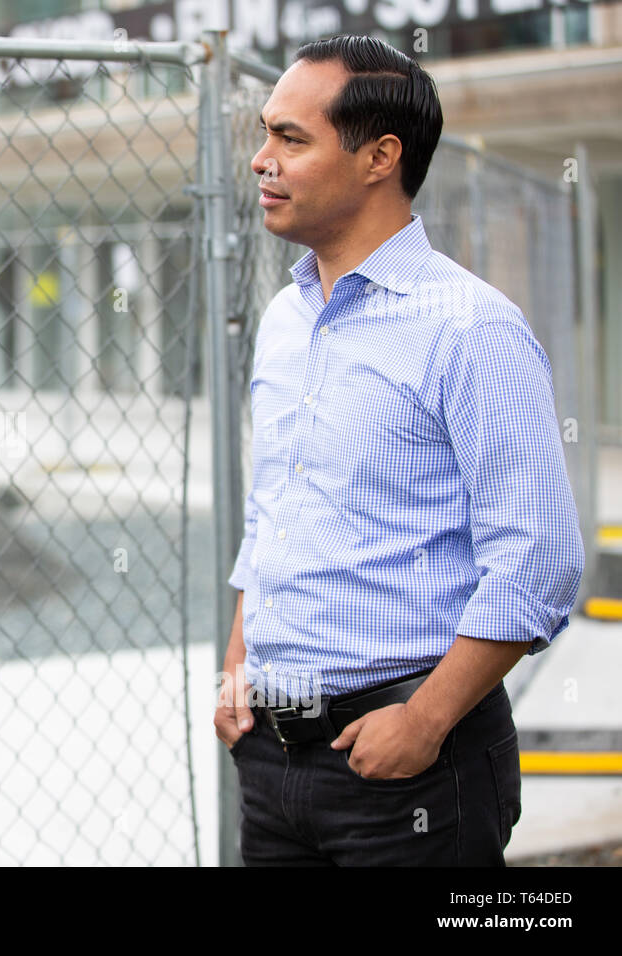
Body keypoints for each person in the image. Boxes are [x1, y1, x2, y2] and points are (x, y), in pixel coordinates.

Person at [213, 35, 583, 866]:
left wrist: (424, 720)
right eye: (265, 134)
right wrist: (239, 665)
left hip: (413, 766)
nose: (261, 161)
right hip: (271, 761)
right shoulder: (285, 317)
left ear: (381, 156)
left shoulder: (470, 329)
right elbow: (278, 510)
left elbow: (539, 559)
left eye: (291, 139)